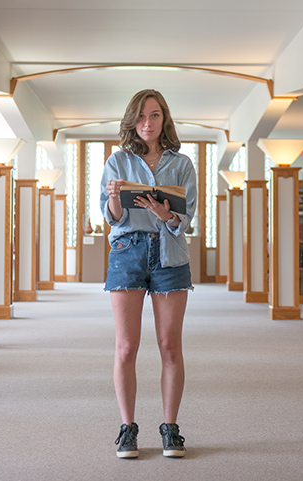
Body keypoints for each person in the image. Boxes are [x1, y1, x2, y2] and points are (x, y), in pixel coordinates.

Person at [100, 89, 197, 459]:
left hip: (170, 254)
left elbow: (186, 220)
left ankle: (170, 429)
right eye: (141, 117)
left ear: (164, 119)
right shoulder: (117, 161)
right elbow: (112, 217)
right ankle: (128, 429)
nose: (147, 123)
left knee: (170, 346)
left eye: (154, 115)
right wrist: (113, 196)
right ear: (131, 121)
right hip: (128, 251)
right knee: (126, 346)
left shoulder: (182, 164)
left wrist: (164, 214)